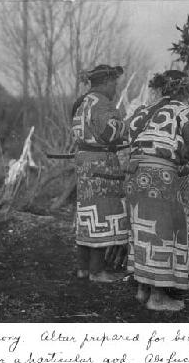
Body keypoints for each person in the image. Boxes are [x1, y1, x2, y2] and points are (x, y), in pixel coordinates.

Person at [125, 70, 189, 311]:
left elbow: (129, 133)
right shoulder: (181, 110)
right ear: (184, 90)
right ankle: (157, 298)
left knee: (142, 227)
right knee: (162, 229)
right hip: (160, 177)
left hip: (136, 176)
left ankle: (142, 289)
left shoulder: (146, 110)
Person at [71, 64, 130, 283]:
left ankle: (83, 269)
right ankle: (97, 272)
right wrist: (128, 126)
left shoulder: (82, 102)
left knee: (88, 214)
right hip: (101, 165)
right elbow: (110, 132)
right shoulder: (102, 104)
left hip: (85, 163)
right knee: (102, 213)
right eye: (114, 84)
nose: (115, 89)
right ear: (105, 83)